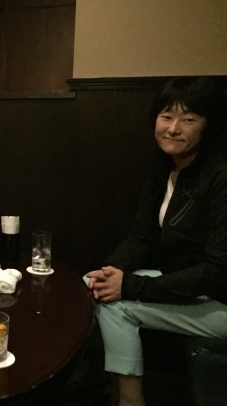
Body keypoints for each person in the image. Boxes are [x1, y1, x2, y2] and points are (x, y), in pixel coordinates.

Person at [84, 77, 227, 406]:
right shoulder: (166, 167)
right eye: (167, 116)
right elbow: (142, 237)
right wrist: (109, 272)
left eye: (188, 119)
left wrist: (129, 286)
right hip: (186, 286)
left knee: (117, 305)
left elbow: (216, 272)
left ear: (208, 125)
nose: (173, 128)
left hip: (219, 299)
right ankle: (103, 383)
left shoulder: (220, 176)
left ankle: (129, 399)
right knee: (90, 284)